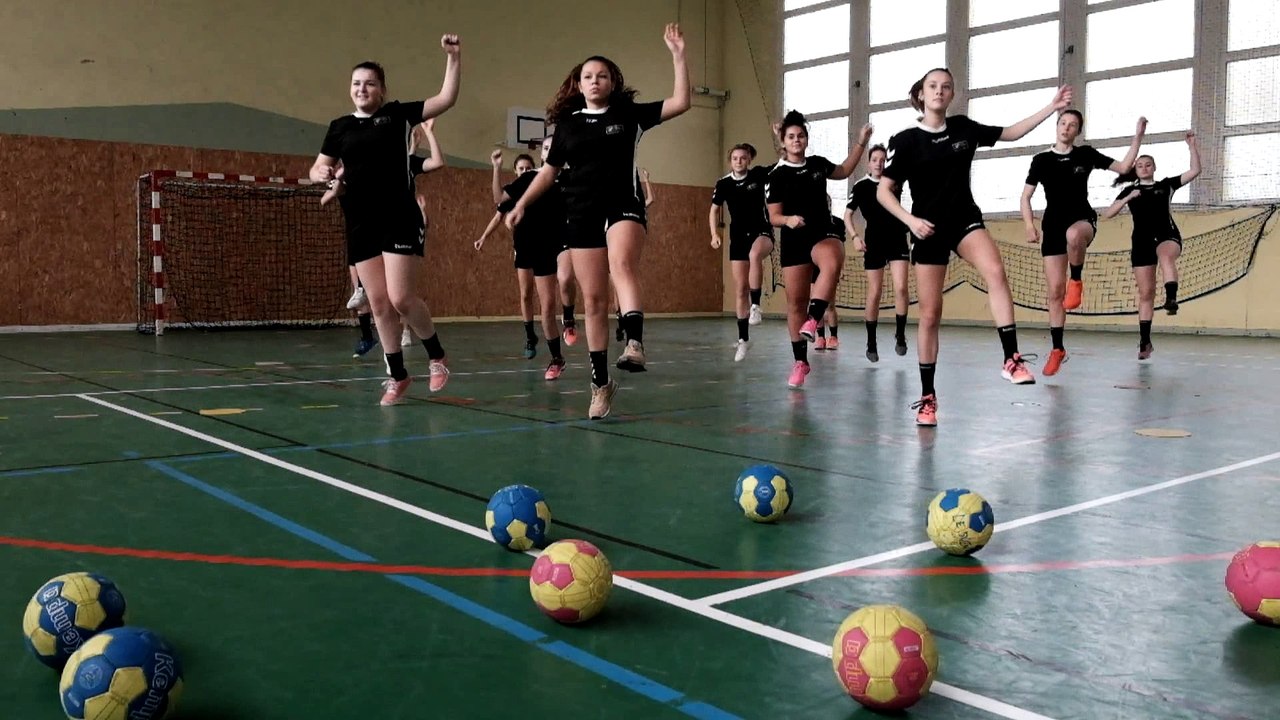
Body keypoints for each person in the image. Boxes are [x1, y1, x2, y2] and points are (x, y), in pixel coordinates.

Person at [506, 23, 691, 420]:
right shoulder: (567, 125)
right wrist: (521, 203)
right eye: (588, 76)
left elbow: (681, 102)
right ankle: (600, 384)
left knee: (622, 264)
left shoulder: (630, 115)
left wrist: (678, 56)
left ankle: (636, 344)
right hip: (581, 212)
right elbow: (548, 172)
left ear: (612, 82)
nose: (594, 81)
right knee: (593, 301)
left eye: (602, 75)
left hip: (622, 204)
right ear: (579, 83)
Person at [877, 68, 1071, 426]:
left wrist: (1052, 106)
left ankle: (1011, 358)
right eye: (932, 86)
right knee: (931, 315)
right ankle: (928, 399)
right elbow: (883, 191)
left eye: (946, 87)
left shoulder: (964, 128)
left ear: (951, 95)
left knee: (996, 271)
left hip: (963, 219)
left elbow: (1011, 133)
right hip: (926, 229)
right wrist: (910, 221)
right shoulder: (904, 141)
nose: (939, 91)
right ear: (921, 93)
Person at [310, 38, 461, 406]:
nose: (362, 89)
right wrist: (323, 174)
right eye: (357, 83)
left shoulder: (397, 115)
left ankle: (437, 356)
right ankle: (397, 375)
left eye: (370, 83)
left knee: (401, 298)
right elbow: (318, 165)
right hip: (360, 221)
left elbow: (446, 98)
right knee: (377, 304)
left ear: (382, 89)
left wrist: (453, 57)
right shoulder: (340, 127)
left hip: (397, 216)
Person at [1021, 112, 1146, 375]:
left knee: (1074, 236)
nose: (1067, 128)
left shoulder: (1085, 155)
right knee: (1055, 292)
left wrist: (1138, 137)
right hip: (1052, 226)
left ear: (1078, 131)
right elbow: (1026, 197)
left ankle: (1076, 280)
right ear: (1057, 127)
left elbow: (1124, 168)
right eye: (1063, 123)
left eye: (1073, 125)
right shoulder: (1041, 160)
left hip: (1081, 219)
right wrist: (1029, 225)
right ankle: (1057, 349)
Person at [765, 111, 872, 389]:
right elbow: (773, 216)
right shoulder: (776, 176)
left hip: (823, 230)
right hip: (794, 237)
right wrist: (787, 220)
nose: (797, 140)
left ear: (807, 139)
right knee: (794, 303)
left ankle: (814, 321)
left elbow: (845, 170)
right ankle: (801, 361)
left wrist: (861, 142)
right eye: (791, 137)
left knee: (832, 262)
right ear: (784, 142)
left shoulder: (818, 165)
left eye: (801, 135)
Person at [477, 136, 571, 380]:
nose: (551, 151)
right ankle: (556, 357)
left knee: (566, 278)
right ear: (542, 154)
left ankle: (569, 318)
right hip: (534, 248)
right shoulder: (529, 179)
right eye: (547, 148)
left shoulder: (571, 179)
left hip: (561, 246)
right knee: (546, 307)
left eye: (556, 147)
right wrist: (496, 168)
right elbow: (500, 201)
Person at [1101, 131, 1201, 359]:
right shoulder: (1129, 191)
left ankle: (1171, 298)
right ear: (1135, 170)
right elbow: (1108, 214)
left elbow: (1195, 171)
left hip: (1167, 236)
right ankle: (1145, 342)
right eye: (1140, 166)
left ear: (1153, 168)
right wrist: (1128, 197)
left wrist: (1192, 146)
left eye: (1148, 165)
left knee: (1165, 256)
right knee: (1146, 293)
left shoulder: (1166, 186)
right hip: (1141, 243)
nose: (1144, 168)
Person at [710, 143, 775, 361]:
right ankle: (743, 340)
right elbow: (714, 210)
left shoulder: (758, 175)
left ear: (749, 160)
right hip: (737, 237)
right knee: (740, 290)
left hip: (761, 231)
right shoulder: (724, 184)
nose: (739, 161)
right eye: (735, 158)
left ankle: (756, 306)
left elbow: (783, 162)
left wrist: (779, 136)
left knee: (755, 255)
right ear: (731, 161)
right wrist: (714, 234)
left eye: (743, 158)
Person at [846, 144, 910, 363]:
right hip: (874, 242)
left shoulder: (894, 182)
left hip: (898, 240)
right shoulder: (861, 186)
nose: (879, 163)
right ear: (869, 162)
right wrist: (855, 236)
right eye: (875, 159)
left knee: (901, 287)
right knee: (875, 292)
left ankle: (900, 334)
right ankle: (871, 342)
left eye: (883, 160)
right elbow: (847, 215)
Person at [486, 150, 545, 358]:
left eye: (529, 168)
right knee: (526, 293)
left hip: (545, 247)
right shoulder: (515, 192)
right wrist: (496, 167)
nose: (525, 171)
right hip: (523, 248)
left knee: (546, 297)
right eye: (521, 169)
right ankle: (530, 336)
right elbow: (497, 207)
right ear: (515, 171)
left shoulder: (543, 187)